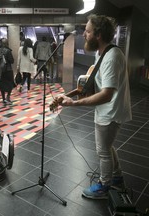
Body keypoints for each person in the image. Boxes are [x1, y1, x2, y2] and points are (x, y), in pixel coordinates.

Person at [53, 14, 132, 199]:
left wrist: (74, 103)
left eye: (87, 31)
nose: (84, 35)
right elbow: (91, 84)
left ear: (98, 34)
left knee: (103, 151)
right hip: (107, 109)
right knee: (108, 146)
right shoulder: (102, 52)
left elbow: (106, 94)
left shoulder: (112, 56)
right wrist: (68, 95)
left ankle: (105, 186)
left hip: (111, 111)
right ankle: (117, 177)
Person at [0, 38, 14, 104]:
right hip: (8, 70)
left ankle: (3, 98)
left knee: (1, 84)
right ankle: (8, 96)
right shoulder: (8, 51)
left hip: (0, 70)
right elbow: (12, 61)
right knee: (10, 84)